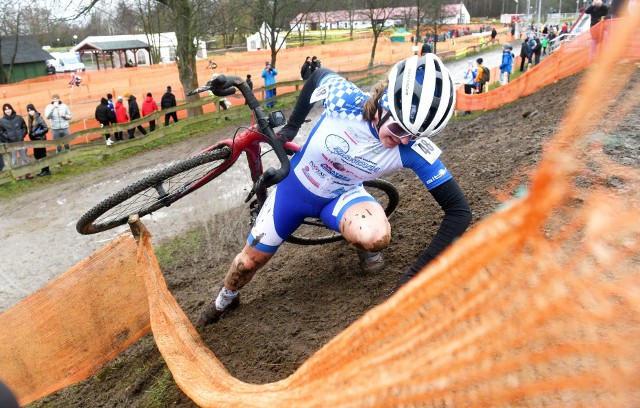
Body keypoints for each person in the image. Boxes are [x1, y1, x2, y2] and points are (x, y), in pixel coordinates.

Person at [197, 54, 472, 326]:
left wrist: (411, 279)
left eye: (413, 135)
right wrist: (291, 129)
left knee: (375, 236)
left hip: (343, 196)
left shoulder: (410, 149)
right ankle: (225, 299)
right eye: (399, 128)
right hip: (294, 191)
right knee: (246, 264)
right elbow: (318, 75)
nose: (402, 140)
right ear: (384, 103)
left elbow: (459, 212)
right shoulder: (346, 101)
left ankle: (365, 247)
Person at [0, 103, 30, 177]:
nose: (8, 111)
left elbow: (24, 127)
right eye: (6, 110)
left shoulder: (18, 118)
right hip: (10, 144)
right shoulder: (1, 121)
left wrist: (22, 135)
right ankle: (18, 175)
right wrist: (7, 137)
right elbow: (1, 132)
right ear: (4, 111)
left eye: (9, 109)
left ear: (11, 109)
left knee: (24, 158)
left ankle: (27, 173)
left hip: (20, 142)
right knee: (14, 160)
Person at [26, 103, 51, 176]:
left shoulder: (38, 117)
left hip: (40, 140)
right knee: (37, 156)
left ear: (34, 110)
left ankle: (46, 170)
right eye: (28, 111)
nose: (30, 112)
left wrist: (36, 134)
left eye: (31, 110)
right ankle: (43, 170)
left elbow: (45, 128)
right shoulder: (30, 119)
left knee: (42, 155)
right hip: (35, 141)